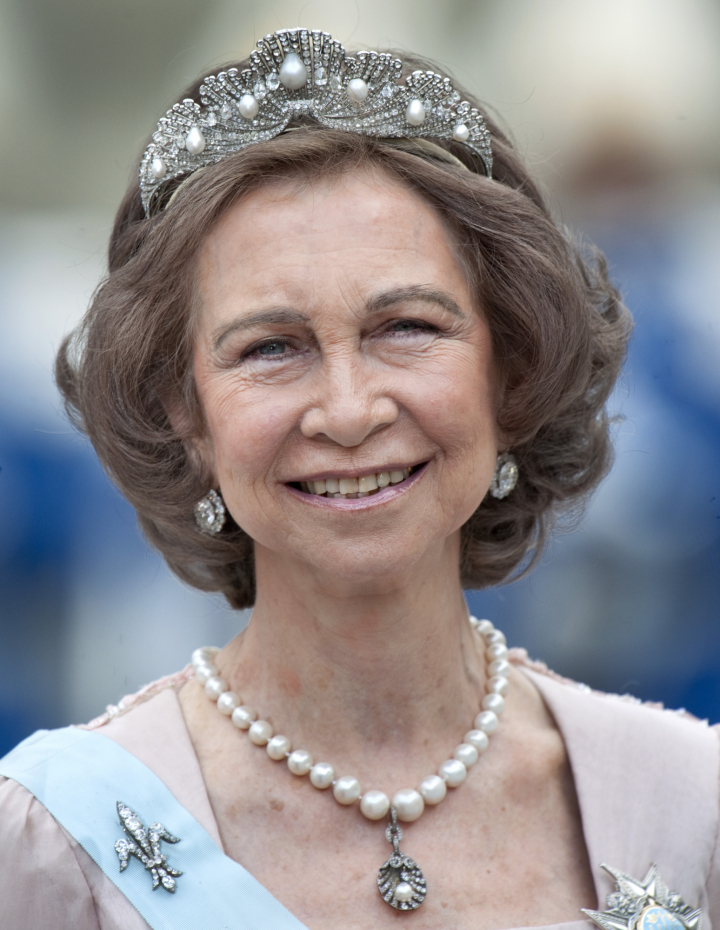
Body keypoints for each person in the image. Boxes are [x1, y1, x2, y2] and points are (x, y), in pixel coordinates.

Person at [0, 28, 717, 930]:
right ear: (185, 417)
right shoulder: (50, 844)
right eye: (270, 347)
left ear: (511, 372)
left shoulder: (695, 806)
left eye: (406, 327)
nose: (347, 411)